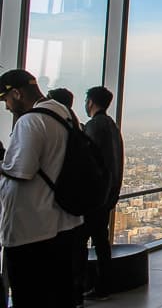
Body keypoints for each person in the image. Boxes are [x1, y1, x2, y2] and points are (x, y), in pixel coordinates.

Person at [0, 69, 83, 307]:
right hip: (63, 220)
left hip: (32, 227)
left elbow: (21, 170)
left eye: (6, 100)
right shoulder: (64, 113)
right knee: (59, 292)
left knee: (30, 293)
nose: (6, 107)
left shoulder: (30, 121)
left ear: (16, 93)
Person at [76, 86, 124, 303]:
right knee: (101, 242)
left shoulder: (94, 127)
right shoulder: (112, 126)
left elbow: (88, 161)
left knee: (80, 242)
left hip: (94, 197)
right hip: (108, 196)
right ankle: (104, 285)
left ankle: (85, 286)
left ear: (90, 102)